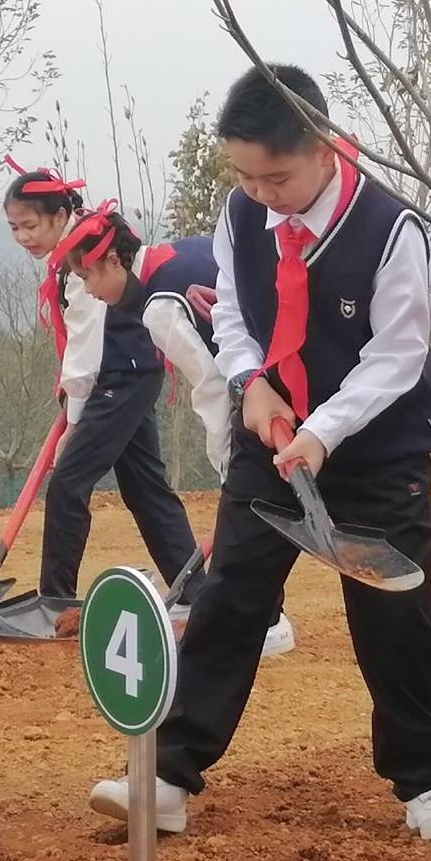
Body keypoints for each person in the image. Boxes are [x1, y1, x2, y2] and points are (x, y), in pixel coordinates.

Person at [89, 64, 431, 843]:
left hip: (376, 449)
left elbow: (399, 354)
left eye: (278, 176)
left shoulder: (389, 227)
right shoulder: (240, 212)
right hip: (271, 434)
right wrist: (251, 382)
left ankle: (428, 781)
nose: (261, 192)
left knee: (394, 615)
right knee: (231, 597)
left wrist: (325, 431)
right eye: (247, 176)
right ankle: (167, 773)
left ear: (325, 148)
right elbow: (232, 310)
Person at [52, 199, 295, 655]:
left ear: (112, 260)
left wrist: (228, 461)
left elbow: (212, 387)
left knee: (251, 505)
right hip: (282, 367)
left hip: (257, 395)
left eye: (88, 278)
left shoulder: (159, 306)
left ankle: (267, 623)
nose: (89, 290)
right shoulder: (181, 253)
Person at [0, 166, 212, 623]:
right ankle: (196, 591)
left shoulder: (85, 252)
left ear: (61, 215)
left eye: (31, 225)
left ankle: (56, 600)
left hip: (117, 376)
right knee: (145, 489)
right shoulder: (79, 245)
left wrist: (75, 420)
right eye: (14, 228)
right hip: (128, 371)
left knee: (69, 481)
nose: (23, 237)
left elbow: (87, 341)